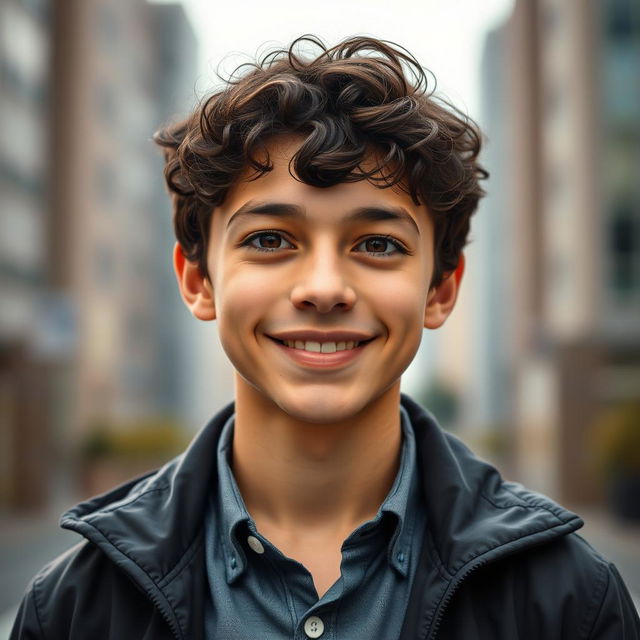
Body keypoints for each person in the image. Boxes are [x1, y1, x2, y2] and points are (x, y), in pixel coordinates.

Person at [11, 35, 640, 640]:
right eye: (269, 240)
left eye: (377, 245)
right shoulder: (74, 608)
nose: (323, 287)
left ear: (441, 290)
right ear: (199, 280)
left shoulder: (570, 602)